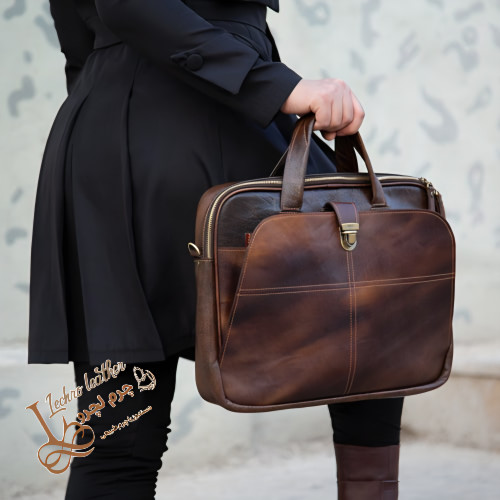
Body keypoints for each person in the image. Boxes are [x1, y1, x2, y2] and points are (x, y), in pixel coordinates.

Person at [28, 0, 404, 498]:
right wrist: (278, 86)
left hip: (115, 141)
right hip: (203, 123)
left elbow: (80, 42)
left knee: (120, 432)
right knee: (368, 333)